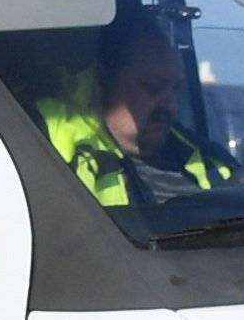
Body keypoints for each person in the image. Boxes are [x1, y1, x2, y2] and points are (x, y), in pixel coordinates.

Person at [38, 14, 232, 206]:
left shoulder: (209, 160)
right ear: (105, 81)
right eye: (153, 87)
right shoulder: (56, 155)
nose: (171, 106)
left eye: (176, 89)